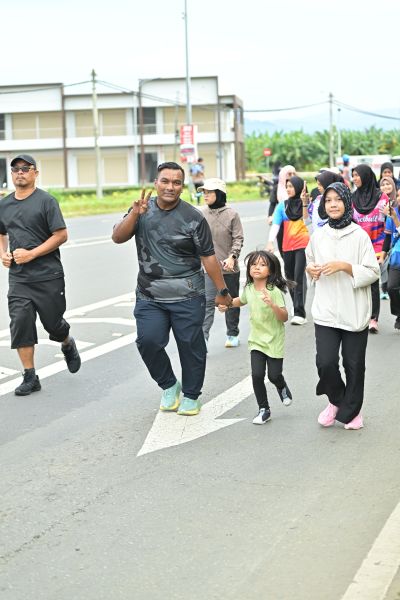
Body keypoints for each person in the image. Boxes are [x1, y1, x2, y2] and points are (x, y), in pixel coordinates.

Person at [111, 162, 232, 416]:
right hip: (149, 295)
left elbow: (208, 257)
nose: (170, 187)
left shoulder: (193, 218)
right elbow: (118, 237)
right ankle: (168, 384)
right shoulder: (142, 209)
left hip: (188, 295)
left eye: (176, 182)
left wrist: (222, 291)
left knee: (191, 346)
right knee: (148, 341)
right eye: (165, 181)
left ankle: (191, 395)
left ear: (182, 186)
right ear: (156, 183)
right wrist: (134, 215)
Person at [0, 154, 81, 396]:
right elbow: (1, 234)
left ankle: (66, 342)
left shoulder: (46, 201)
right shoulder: (4, 205)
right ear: (11, 173)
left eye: (26, 168)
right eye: (16, 168)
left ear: (35, 173)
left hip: (48, 275)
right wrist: (3, 254)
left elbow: (61, 235)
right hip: (19, 278)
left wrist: (32, 254)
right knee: (20, 323)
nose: (20, 172)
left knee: (53, 325)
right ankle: (30, 376)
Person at [305, 183, 380, 430]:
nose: (333, 204)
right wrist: (311, 270)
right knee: (325, 363)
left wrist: (346, 267)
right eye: (328, 200)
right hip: (325, 310)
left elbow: (373, 272)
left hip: (354, 311)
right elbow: (310, 262)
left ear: (347, 202)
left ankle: (353, 412)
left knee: (354, 365)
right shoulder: (318, 236)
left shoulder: (359, 235)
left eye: (338, 199)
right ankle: (338, 402)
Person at [218, 250, 293, 425]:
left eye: (262, 265)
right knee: (257, 375)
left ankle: (281, 386)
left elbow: (284, 317)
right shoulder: (249, 289)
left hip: (274, 340)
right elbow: (241, 300)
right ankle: (264, 409)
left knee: (274, 375)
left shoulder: (274, 291)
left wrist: (272, 304)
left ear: (270, 270)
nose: (256, 267)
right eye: (253, 264)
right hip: (256, 341)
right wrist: (227, 305)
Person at [199, 177, 244, 348]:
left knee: (230, 302)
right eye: (204, 192)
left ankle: (232, 333)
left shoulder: (232, 214)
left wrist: (232, 257)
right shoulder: (201, 214)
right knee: (208, 303)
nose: (205, 195)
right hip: (208, 269)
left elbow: (238, 238)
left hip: (228, 269)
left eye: (209, 192)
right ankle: (203, 339)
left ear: (219, 194)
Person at [267, 175, 310, 325]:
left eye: (291, 186)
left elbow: (308, 221)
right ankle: (296, 304)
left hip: (303, 244)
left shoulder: (306, 203)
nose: (288, 189)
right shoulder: (282, 206)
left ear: (298, 187)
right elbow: (276, 225)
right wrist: (270, 241)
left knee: (298, 277)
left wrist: (305, 203)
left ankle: (300, 313)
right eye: (287, 187)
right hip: (287, 246)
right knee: (289, 277)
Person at [351, 164, 389, 333]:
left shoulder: (382, 198)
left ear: (366, 176)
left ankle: (373, 318)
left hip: (377, 246)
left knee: (373, 282)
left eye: (357, 175)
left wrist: (385, 249)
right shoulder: (352, 199)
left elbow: (387, 223)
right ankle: (361, 315)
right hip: (358, 246)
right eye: (353, 175)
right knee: (358, 281)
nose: (354, 178)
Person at [380, 198, 400, 330]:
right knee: (392, 287)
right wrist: (382, 257)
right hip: (397, 257)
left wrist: (395, 219)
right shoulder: (393, 213)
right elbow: (387, 238)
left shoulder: (394, 215)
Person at [378, 176, 397, 299]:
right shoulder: (379, 202)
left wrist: (389, 214)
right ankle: (385, 288)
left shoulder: (397, 203)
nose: (386, 187)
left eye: (388, 184)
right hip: (385, 237)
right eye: (383, 184)